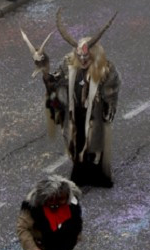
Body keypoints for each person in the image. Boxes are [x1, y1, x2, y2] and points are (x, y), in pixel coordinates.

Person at [24, 11, 121, 187]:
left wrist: (105, 103)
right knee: (77, 143)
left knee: (95, 144)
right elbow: (57, 83)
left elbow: (111, 90)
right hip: (75, 113)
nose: (83, 60)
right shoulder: (68, 64)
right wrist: (45, 71)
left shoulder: (106, 69)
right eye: (80, 56)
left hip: (95, 114)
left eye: (86, 56)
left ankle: (99, 177)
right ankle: (80, 176)